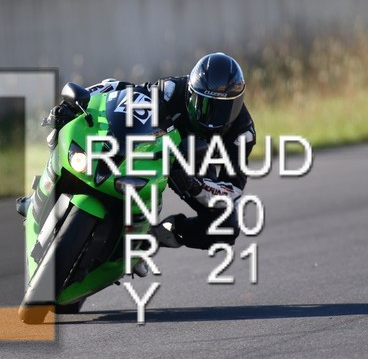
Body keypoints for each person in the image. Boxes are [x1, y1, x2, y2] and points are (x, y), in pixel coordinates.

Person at [17, 52, 256, 253]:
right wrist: (74, 106)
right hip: (161, 153)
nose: (211, 116)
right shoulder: (174, 89)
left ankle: (158, 235)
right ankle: (40, 195)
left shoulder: (242, 134)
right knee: (68, 129)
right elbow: (122, 90)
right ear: (191, 92)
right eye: (203, 104)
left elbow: (232, 189)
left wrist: (195, 185)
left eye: (221, 108)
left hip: (197, 174)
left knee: (227, 226)